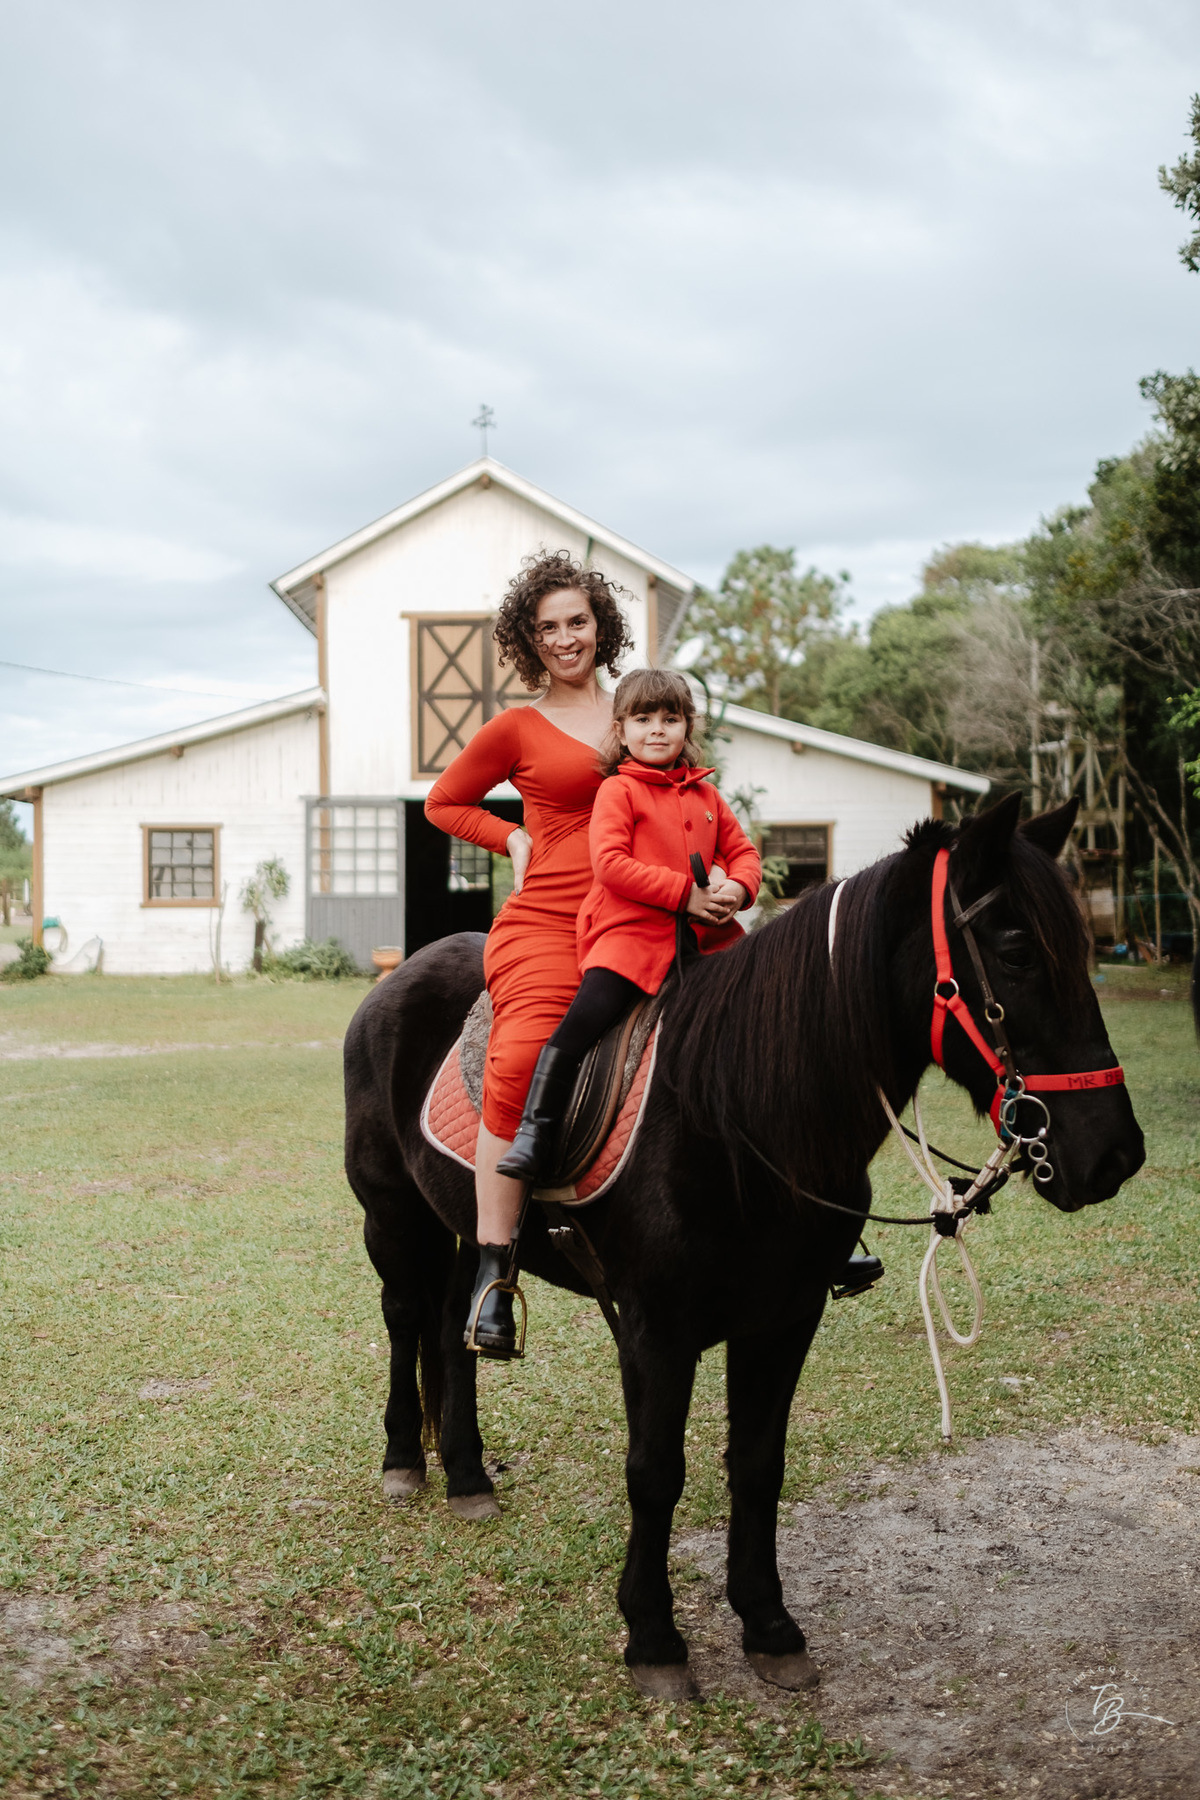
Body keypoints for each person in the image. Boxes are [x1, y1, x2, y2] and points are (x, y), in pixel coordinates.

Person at [424, 550, 628, 1357]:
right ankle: (494, 1273)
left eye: (577, 621)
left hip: (642, 906)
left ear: (600, 624)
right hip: (549, 919)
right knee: (517, 1059)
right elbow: (445, 802)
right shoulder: (514, 727)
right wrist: (510, 834)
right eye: (547, 628)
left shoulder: (640, 707)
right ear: (528, 641)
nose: (565, 638)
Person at [497, 666, 759, 1181]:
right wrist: (685, 894)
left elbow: (744, 853)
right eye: (643, 718)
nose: (657, 730)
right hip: (630, 938)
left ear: (688, 728)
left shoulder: (708, 796)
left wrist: (736, 888)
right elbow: (611, 865)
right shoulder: (618, 792)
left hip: (709, 943)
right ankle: (535, 1131)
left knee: (766, 1023)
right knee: (582, 1022)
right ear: (621, 731)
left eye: (670, 718)